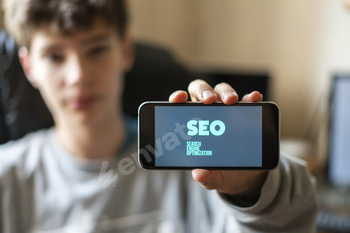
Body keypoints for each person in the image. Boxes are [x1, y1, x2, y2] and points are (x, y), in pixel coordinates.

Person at [0, 0, 317, 232]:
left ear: (126, 51)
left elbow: (293, 219)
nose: (78, 76)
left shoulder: (192, 166)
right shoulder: (7, 178)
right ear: (29, 67)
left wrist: (254, 189)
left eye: (96, 50)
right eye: (54, 56)